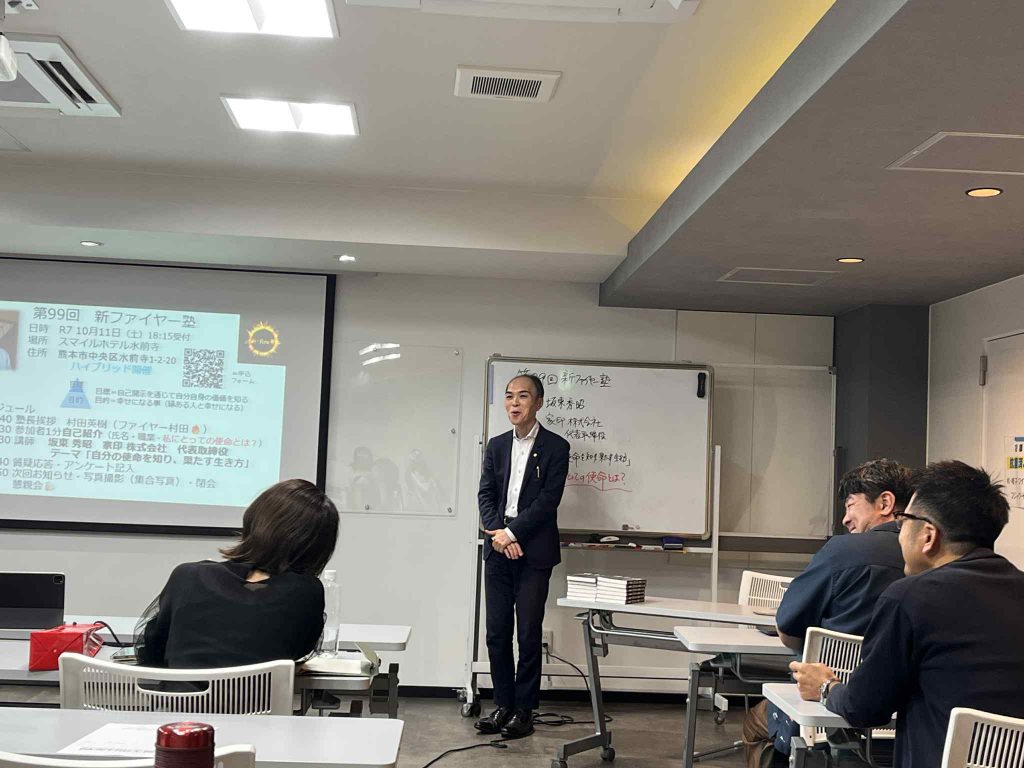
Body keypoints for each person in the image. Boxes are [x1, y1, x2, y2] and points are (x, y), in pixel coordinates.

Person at [791, 460, 1024, 768]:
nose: (899, 533)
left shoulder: (911, 597)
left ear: (928, 536)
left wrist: (825, 687)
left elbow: (864, 708)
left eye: (903, 522)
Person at [743, 458, 914, 768]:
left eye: (851, 505)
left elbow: (787, 629)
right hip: (909, 718)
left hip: (828, 709)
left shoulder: (843, 552)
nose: (845, 519)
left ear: (885, 503)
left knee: (755, 723)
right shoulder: (932, 559)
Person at [135, 478, 340, 668]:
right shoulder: (306, 592)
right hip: (260, 697)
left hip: (181, 696)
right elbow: (299, 651)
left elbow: (152, 650)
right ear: (318, 546)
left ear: (255, 521)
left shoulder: (187, 576)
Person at [475, 374, 570, 738]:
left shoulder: (556, 447)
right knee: (497, 632)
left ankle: (525, 709)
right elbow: (485, 494)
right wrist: (499, 533)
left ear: (538, 402)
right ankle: (503, 704)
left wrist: (513, 533)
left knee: (528, 632)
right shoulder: (496, 445)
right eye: (509, 396)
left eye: (523, 397)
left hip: (534, 550)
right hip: (498, 548)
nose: (514, 403)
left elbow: (547, 502)